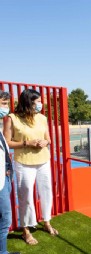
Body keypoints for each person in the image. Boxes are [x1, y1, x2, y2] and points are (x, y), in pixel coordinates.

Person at [4, 89, 58, 245]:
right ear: (29, 102)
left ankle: (47, 221)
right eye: (38, 101)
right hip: (23, 163)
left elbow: (48, 139)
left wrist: (44, 142)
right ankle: (26, 230)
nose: (41, 104)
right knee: (25, 195)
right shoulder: (12, 119)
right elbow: (7, 142)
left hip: (43, 160)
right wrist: (27, 143)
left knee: (46, 192)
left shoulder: (42, 118)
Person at [0, 90, 28, 254]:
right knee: (5, 221)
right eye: (2, 103)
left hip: (5, 176)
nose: (6, 107)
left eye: (6, 103)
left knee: (2, 220)